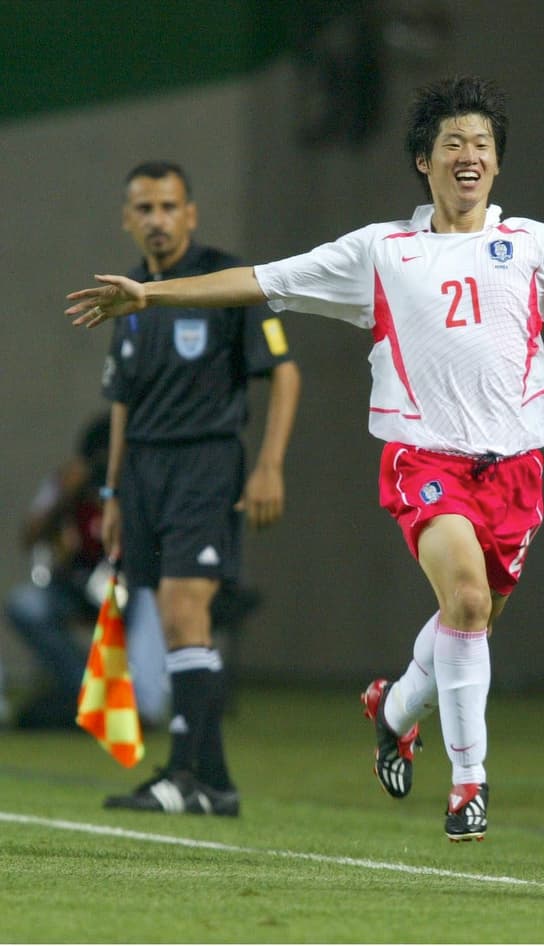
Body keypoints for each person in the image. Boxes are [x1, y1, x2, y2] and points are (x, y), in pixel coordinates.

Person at [66, 76, 544, 842]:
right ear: (423, 161)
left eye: (482, 144)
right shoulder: (381, 251)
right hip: (424, 462)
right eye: (453, 143)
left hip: (515, 473)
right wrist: (152, 296)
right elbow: (263, 280)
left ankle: (395, 708)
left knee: (471, 622)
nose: (470, 155)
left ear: (497, 162)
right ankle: (470, 785)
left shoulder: (531, 246)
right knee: (465, 602)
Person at [91, 161, 301, 816]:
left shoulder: (224, 281)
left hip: (205, 463)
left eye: (168, 206)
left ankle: (184, 775)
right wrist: (113, 494)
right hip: (143, 474)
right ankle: (214, 784)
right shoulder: (129, 298)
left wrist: (269, 464)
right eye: (144, 208)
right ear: (127, 219)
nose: (157, 219)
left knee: (185, 610)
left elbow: (284, 372)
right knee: (175, 618)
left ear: (191, 213)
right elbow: (122, 403)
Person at [4, 413, 170, 729]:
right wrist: (63, 498)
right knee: (24, 604)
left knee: (155, 596)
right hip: (76, 586)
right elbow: (29, 537)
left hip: (128, 589)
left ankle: (142, 705)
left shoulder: (143, 485)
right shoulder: (67, 482)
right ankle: (88, 689)